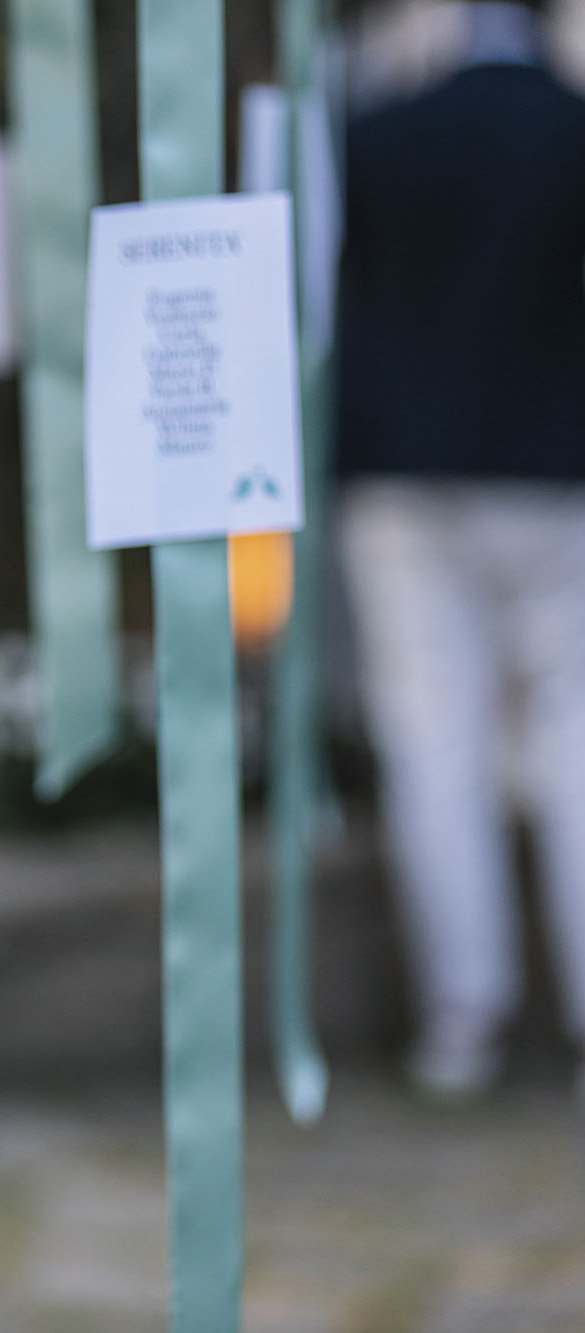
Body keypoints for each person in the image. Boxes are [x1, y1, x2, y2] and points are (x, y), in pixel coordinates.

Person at [338, 0, 585, 1099]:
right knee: (576, 743)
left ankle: (461, 1015)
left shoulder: (380, 130)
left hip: (404, 483)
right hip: (558, 482)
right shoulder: (571, 126)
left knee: (429, 737)